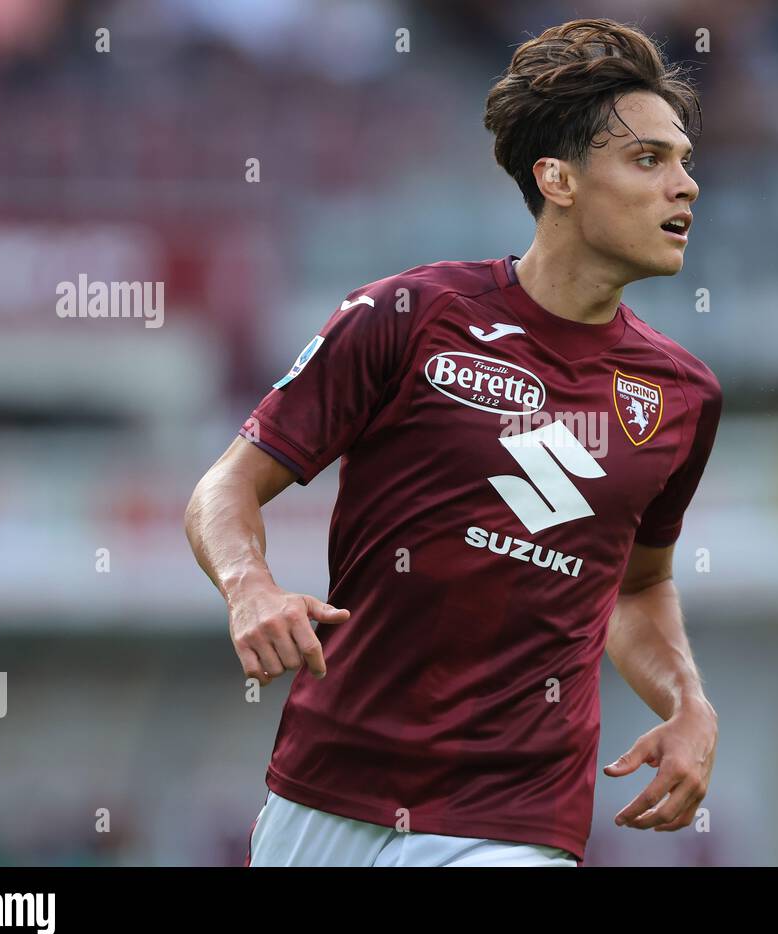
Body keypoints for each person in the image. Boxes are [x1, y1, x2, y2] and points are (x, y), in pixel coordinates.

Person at [184, 17, 722, 867]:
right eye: (650, 161)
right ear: (558, 179)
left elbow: (636, 587)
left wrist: (689, 702)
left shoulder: (683, 396)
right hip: (323, 793)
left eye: (685, 161)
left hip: (511, 816)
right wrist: (249, 587)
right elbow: (224, 489)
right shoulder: (409, 316)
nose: (685, 186)